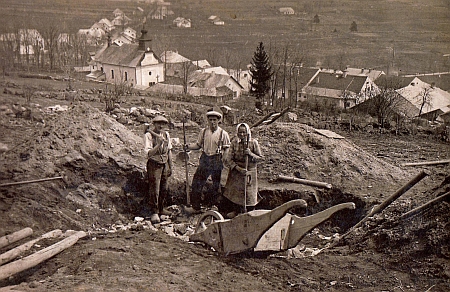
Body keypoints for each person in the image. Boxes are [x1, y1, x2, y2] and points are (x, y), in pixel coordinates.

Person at [185, 109, 230, 212]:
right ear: (208, 121)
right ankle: (195, 206)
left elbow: (227, 148)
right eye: (210, 120)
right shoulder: (204, 132)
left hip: (216, 159)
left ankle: (214, 206)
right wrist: (188, 147)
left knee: (216, 184)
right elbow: (198, 145)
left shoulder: (223, 133)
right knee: (197, 181)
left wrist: (223, 159)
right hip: (205, 159)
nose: (212, 122)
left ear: (219, 120)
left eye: (214, 120)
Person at [222, 123, 263, 218]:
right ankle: (237, 211)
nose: (242, 134)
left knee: (249, 193)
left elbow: (260, 158)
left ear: (247, 133)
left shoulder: (253, 143)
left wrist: (250, 154)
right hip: (237, 170)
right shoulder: (234, 142)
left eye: (244, 132)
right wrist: (238, 169)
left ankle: (250, 213)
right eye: (240, 132)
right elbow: (229, 159)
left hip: (250, 170)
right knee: (235, 193)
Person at [144, 115, 173, 224]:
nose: (161, 126)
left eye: (163, 124)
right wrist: (159, 144)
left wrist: (171, 166)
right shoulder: (148, 135)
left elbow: (169, 151)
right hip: (154, 164)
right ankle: (154, 212)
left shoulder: (166, 134)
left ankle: (161, 208)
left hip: (164, 164)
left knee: (164, 188)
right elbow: (148, 153)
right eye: (158, 123)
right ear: (154, 124)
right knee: (154, 188)